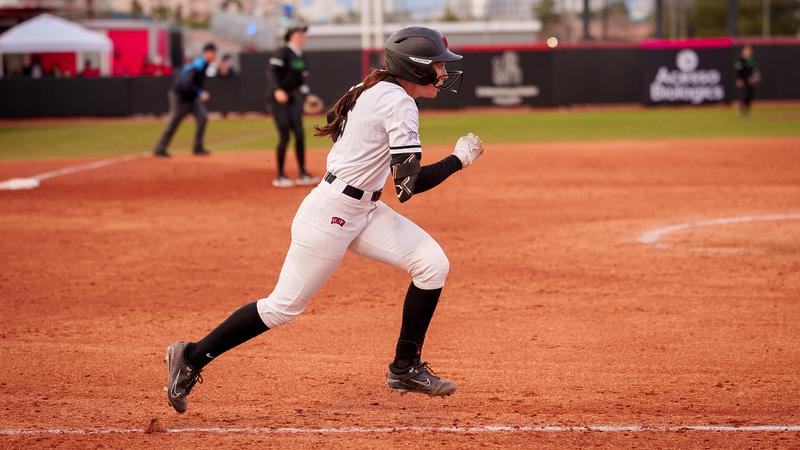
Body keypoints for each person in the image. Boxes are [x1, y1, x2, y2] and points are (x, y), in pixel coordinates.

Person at [164, 26, 482, 414]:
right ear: (415, 69)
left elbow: (337, 116)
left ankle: (405, 367)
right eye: (437, 65)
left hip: (361, 208)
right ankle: (191, 356)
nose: (444, 73)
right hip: (331, 213)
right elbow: (408, 187)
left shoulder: (372, 87)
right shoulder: (398, 102)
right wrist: (459, 159)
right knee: (282, 307)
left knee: (432, 265)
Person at [268, 24, 317, 188]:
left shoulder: (302, 57)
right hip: (278, 99)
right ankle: (280, 175)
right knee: (285, 136)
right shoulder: (283, 52)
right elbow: (271, 72)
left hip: (292, 99)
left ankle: (303, 173)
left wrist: (307, 95)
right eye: (300, 33)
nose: (304, 36)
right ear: (292, 36)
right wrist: (277, 90)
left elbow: (301, 83)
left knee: (300, 135)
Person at [153, 43, 217, 157]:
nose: (215, 55)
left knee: (203, 117)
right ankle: (160, 148)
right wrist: (200, 93)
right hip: (180, 96)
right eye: (213, 52)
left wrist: (197, 92)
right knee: (174, 122)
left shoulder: (204, 64)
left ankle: (198, 147)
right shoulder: (199, 64)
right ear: (206, 53)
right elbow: (186, 83)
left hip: (191, 96)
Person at [735, 45, 760, 117]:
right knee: (744, 96)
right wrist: (739, 79)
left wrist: (754, 78)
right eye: (746, 50)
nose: (748, 52)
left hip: (751, 81)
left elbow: (755, 70)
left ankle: (747, 110)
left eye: (749, 50)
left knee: (750, 96)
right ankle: (741, 110)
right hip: (744, 80)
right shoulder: (740, 60)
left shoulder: (751, 60)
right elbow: (738, 71)